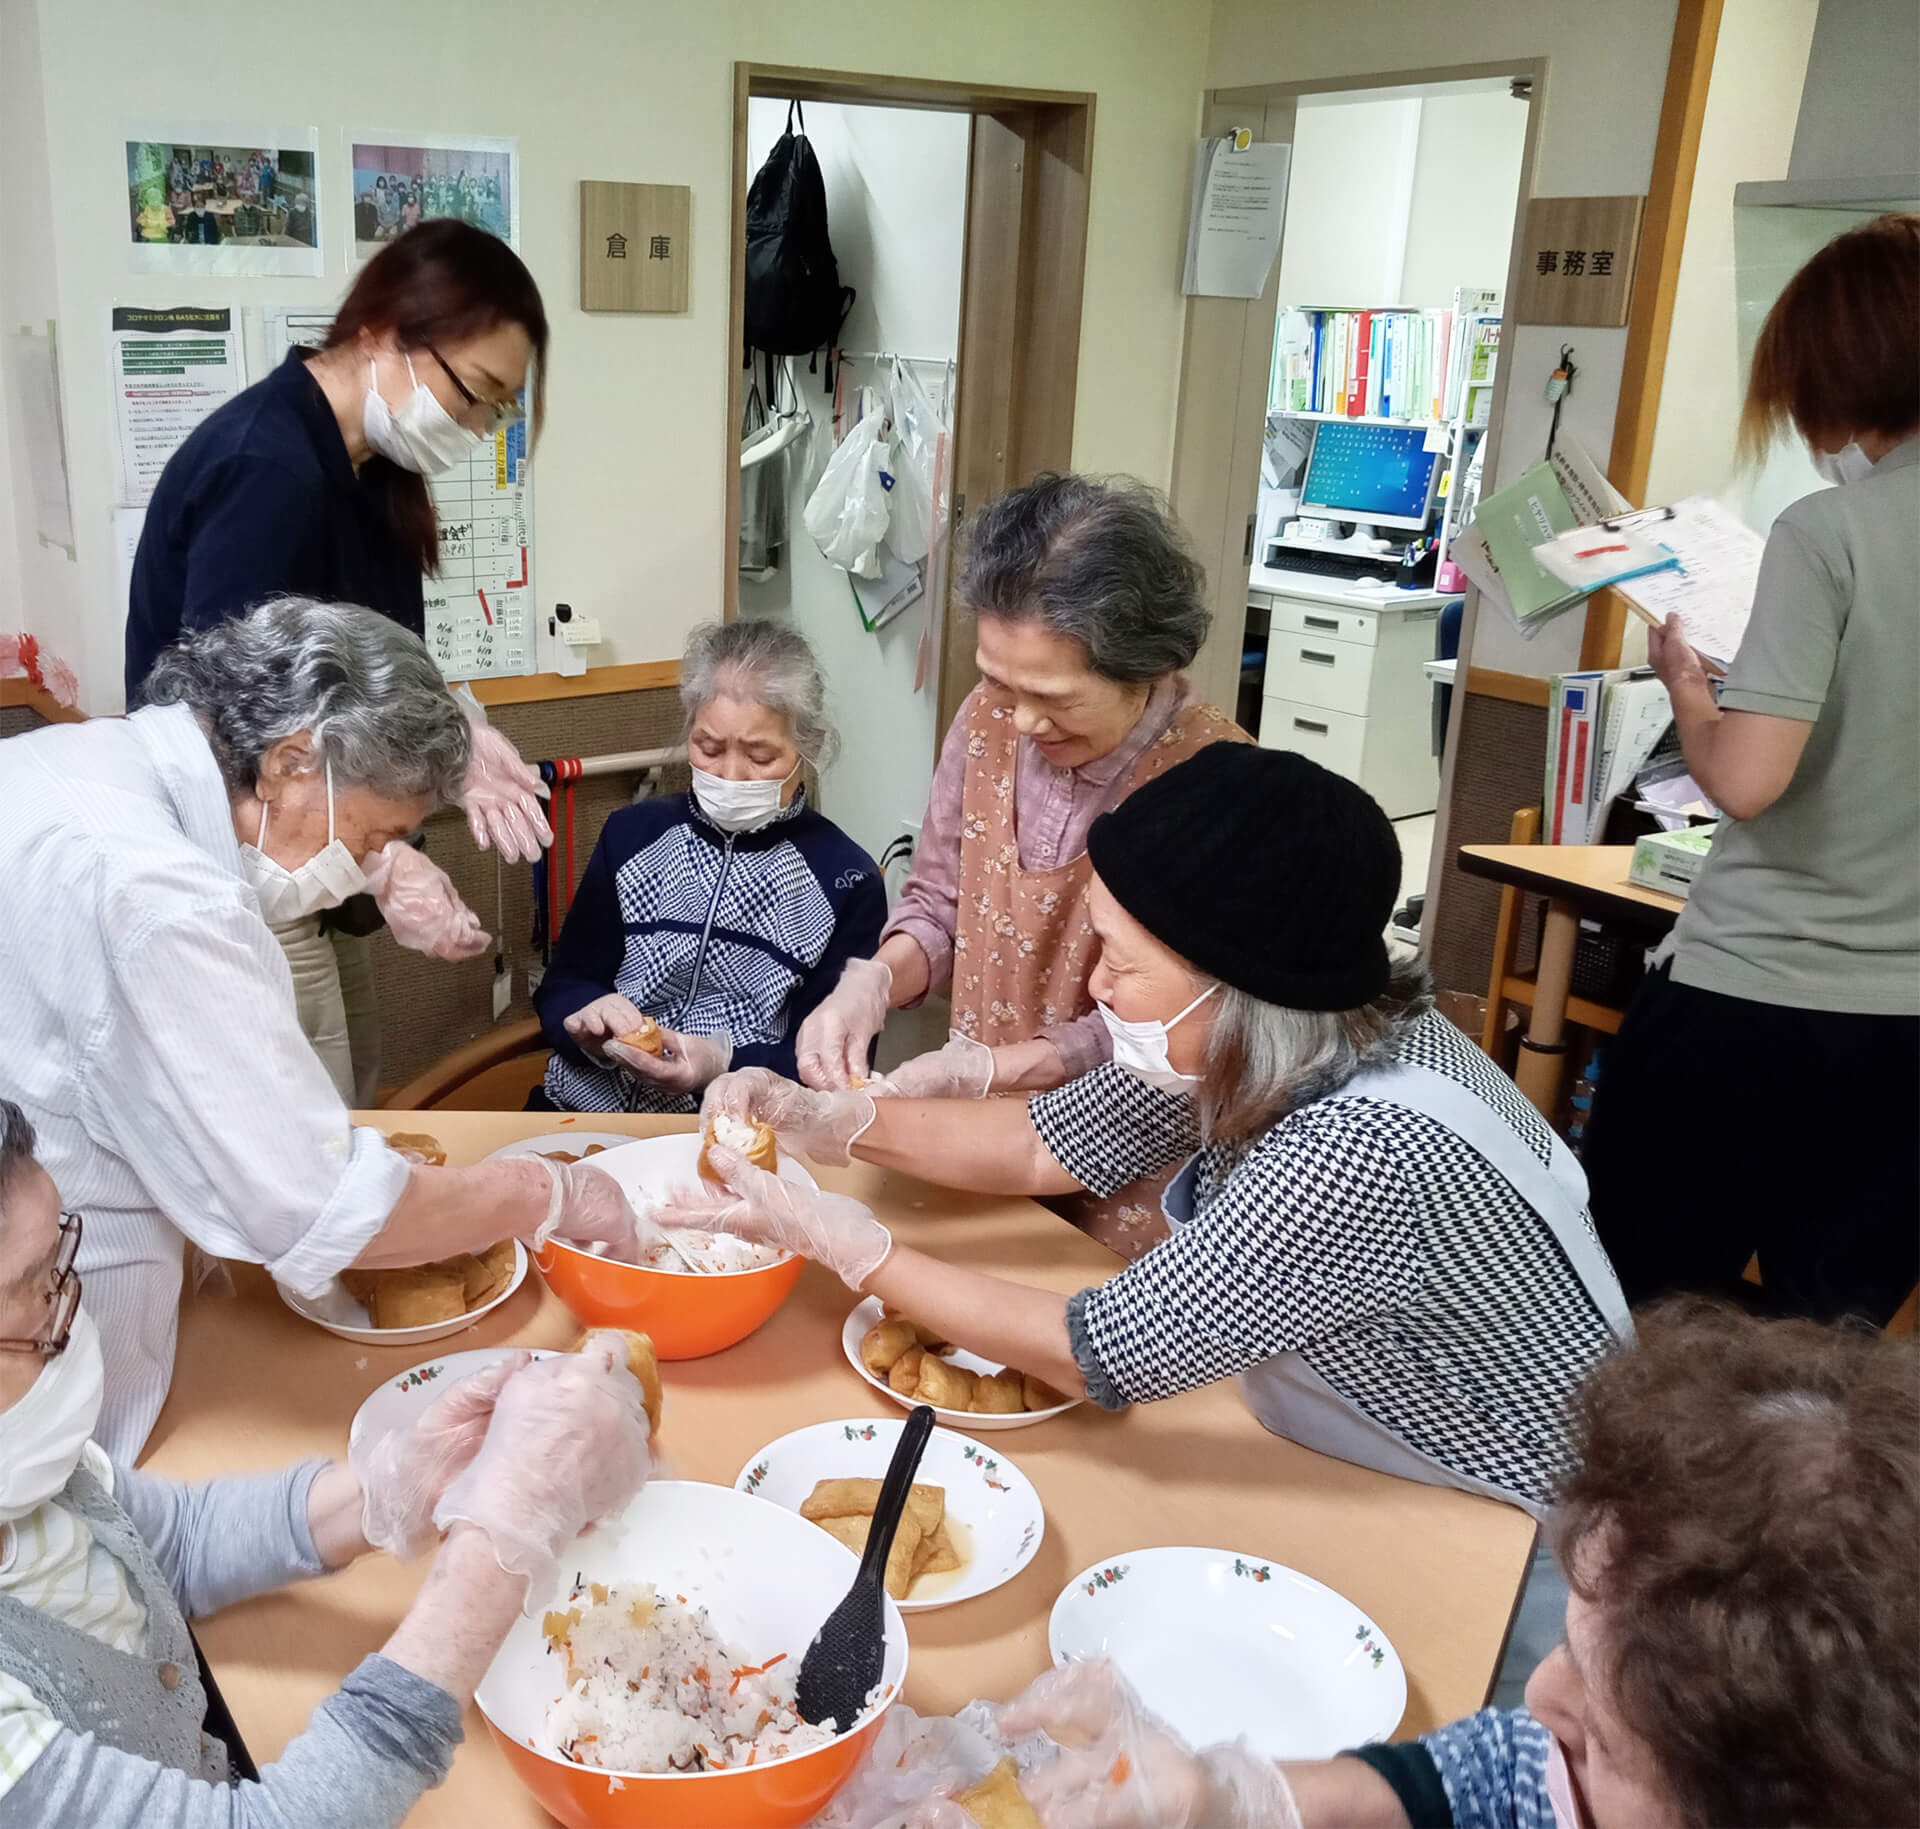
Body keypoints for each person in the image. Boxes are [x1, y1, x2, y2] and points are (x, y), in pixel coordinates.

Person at [671, 743, 1632, 1522]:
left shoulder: (1361, 1148)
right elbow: (1044, 1144)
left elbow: (1094, 1352)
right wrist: (833, 1121)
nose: (1094, 988)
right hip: (1355, 1446)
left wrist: (844, 1241)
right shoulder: (1282, 1029)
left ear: (1235, 988)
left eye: (1121, 965)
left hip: (1525, 1523)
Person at [863, 1298, 1917, 1829]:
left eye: (1599, 1729)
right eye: (1572, 1645)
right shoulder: (1568, 1772)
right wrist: (1239, 1797)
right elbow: (1471, 1782)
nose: (1536, 1692)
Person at [0, 600, 639, 1462]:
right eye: (373, 836)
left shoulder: (80, 757)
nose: (358, 871)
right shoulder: (161, 896)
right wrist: (547, 1192)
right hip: (49, 1341)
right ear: (291, 759)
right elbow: (327, 1208)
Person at [0, 1099, 654, 1828]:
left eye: (62, 1258)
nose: (70, 1310)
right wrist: (501, 1540)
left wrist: (393, 1484)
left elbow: (171, 1540)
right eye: (36, 1293)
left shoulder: (27, 1469)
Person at [124, 218, 555, 1102]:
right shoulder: (269, 471)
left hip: (318, 868)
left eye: (497, 408)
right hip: (249, 874)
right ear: (383, 333)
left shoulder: (371, 472)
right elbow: (220, 724)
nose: (475, 426)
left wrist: (460, 734)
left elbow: (366, 666)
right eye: (473, 393)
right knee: (302, 1146)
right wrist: (385, 861)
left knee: (351, 1103)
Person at [1582, 212, 1920, 1325]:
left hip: (1760, 997)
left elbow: (1749, 783)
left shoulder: (1834, 530)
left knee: (1645, 1309)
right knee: (1832, 1345)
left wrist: (1687, 681)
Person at [795, 474, 1246, 1253]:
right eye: (998, 680)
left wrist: (994, 1068)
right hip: (983, 1142)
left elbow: (1190, 1024)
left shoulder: (1219, 780)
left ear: (1145, 664)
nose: (1020, 718)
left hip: (1133, 1155)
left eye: (1052, 695)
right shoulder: (986, 721)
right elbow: (938, 903)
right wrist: (871, 981)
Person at [533, 620, 885, 1113]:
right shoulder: (633, 836)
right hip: (582, 1108)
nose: (731, 776)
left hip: (735, 1125)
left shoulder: (845, 880)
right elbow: (565, 984)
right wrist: (586, 1018)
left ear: (810, 748)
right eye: (710, 748)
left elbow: (833, 1066)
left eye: (761, 756)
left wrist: (723, 1061)